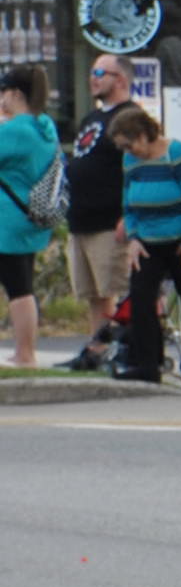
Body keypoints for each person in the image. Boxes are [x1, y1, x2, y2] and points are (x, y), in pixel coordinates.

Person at [106, 103, 181, 392]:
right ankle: (147, 364)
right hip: (148, 241)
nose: (128, 151)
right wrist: (133, 237)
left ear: (143, 135)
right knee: (141, 301)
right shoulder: (131, 162)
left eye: (130, 144)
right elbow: (128, 204)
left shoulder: (177, 154)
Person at [57, 52, 129, 369]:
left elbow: (136, 167)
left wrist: (129, 215)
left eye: (100, 73)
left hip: (109, 222)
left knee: (115, 289)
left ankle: (123, 350)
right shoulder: (91, 119)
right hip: (81, 220)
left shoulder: (129, 117)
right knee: (94, 295)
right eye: (92, 72)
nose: (92, 78)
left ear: (121, 79)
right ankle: (96, 351)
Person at [0, 64, 58, 367]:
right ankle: (25, 351)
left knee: (18, 289)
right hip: (30, 217)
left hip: (7, 221)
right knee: (23, 285)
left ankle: (25, 354)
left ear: (16, 94)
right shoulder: (44, 126)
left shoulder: (16, 130)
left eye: (4, 92)